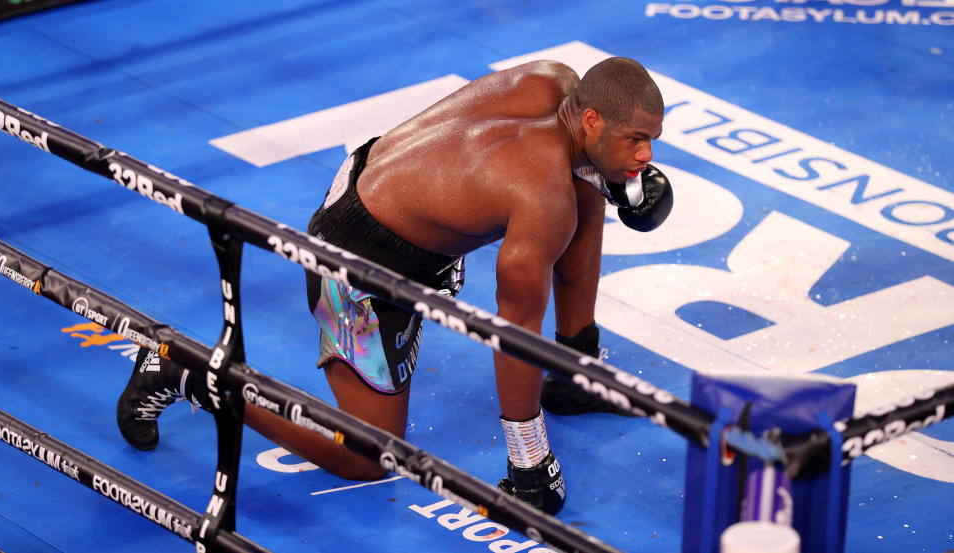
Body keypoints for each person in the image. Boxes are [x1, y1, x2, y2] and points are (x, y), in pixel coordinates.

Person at [116, 56, 672, 516]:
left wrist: (606, 174)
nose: (647, 157)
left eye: (652, 140)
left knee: (585, 194)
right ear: (593, 119)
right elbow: (513, 330)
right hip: (356, 259)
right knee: (368, 456)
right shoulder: (541, 197)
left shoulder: (550, 82)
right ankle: (188, 372)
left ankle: (577, 364)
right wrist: (528, 460)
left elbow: (498, 149)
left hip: (374, 178)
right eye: (636, 139)